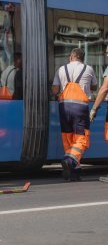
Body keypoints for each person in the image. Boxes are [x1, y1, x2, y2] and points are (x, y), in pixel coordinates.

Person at [51, 48, 97, 181]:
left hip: (63, 107)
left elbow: (54, 90)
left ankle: (73, 172)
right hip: (80, 108)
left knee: (68, 137)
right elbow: (94, 87)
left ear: (71, 57)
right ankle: (69, 161)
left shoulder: (61, 69)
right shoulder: (88, 69)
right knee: (81, 138)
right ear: (83, 58)